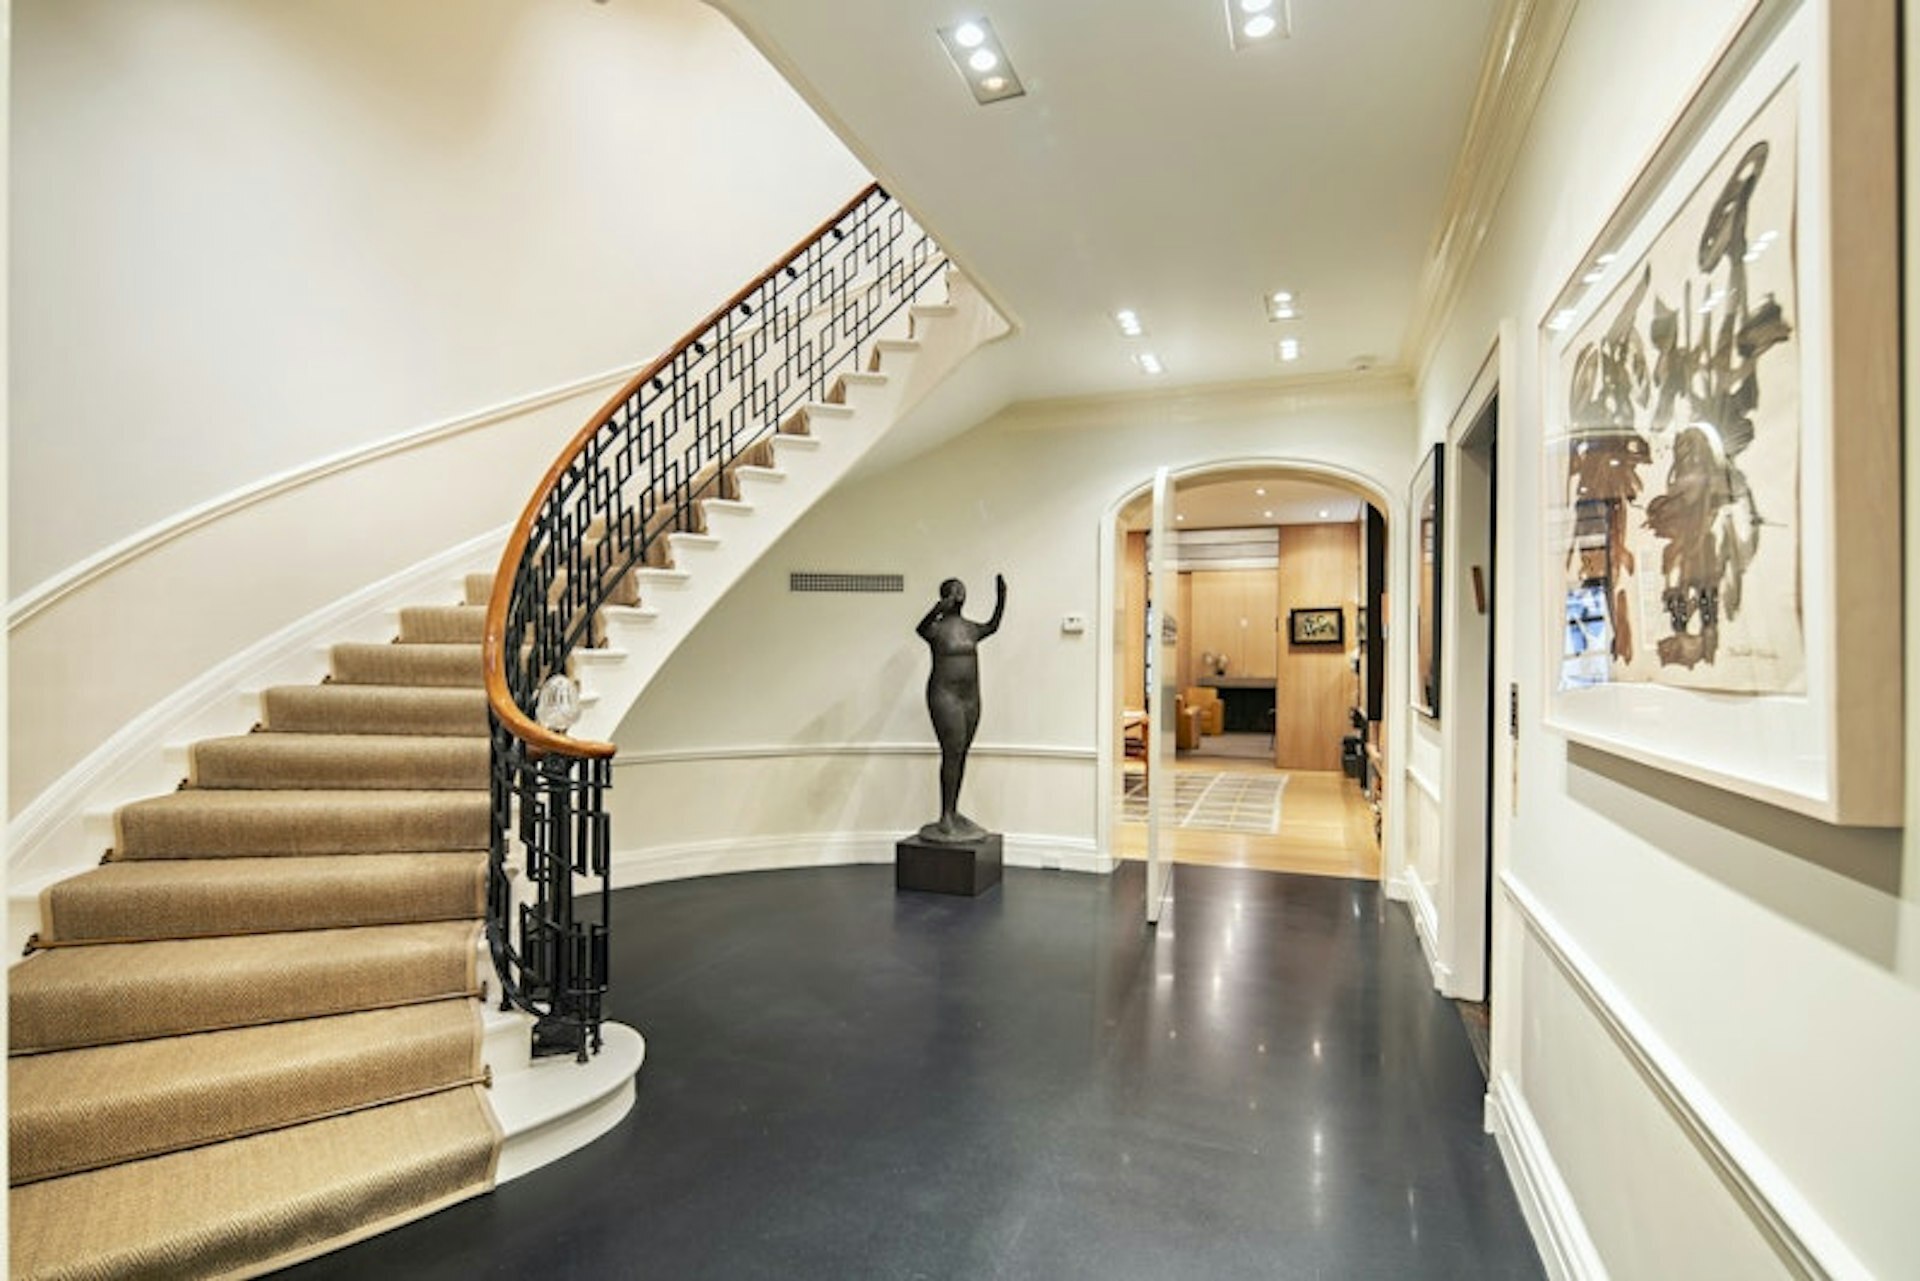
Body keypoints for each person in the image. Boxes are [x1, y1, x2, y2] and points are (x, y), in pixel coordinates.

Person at [914, 574, 1006, 843]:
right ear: (944, 595)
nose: (959, 593)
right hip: (945, 695)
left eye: (962, 589)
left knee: (962, 751)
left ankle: (953, 812)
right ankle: (945, 815)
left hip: (970, 696)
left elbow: (993, 625)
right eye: (953, 590)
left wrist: (1002, 598)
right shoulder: (936, 629)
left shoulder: (969, 628)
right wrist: (936, 609)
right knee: (951, 750)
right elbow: (920, 629)